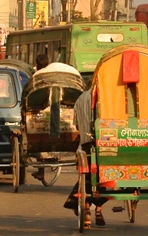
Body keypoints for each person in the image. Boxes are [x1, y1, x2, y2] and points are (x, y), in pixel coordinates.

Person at [64, 90, 106, 227]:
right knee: (106, 176)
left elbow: (76, 125)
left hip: (84, 145)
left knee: (88, 177)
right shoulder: (106, 96)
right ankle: (98, 209)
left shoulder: (80, 98)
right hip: (104, 144)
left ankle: (87, 208)